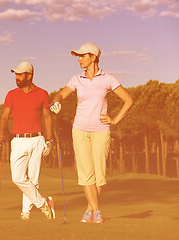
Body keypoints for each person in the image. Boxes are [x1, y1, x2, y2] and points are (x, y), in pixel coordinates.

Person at [50, 42, 133, 223]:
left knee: (99, 173)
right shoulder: (76, 79)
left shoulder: (108, 79)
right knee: (86, 172)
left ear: (93, 57)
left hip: (101, 130)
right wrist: (56, 101)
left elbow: (128, 100)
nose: (79, 59)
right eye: (78, 56)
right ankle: (96, 211)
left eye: (82, 55)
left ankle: (89, 210)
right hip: (79, 130)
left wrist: (115, 120)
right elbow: (61, 94)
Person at [0, 61, 55, 220]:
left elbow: (48, 117)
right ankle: (43, 204)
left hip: (37, 139)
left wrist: (49, 140)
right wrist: (1, 133)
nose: (16, 77)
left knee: (33, 179)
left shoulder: (42, 93)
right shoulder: (11, 94)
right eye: (15, 74)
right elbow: (4, 117)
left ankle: (26, 214)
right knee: (17, 178)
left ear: (29, 75)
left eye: (20, 74)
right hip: (18, 140)